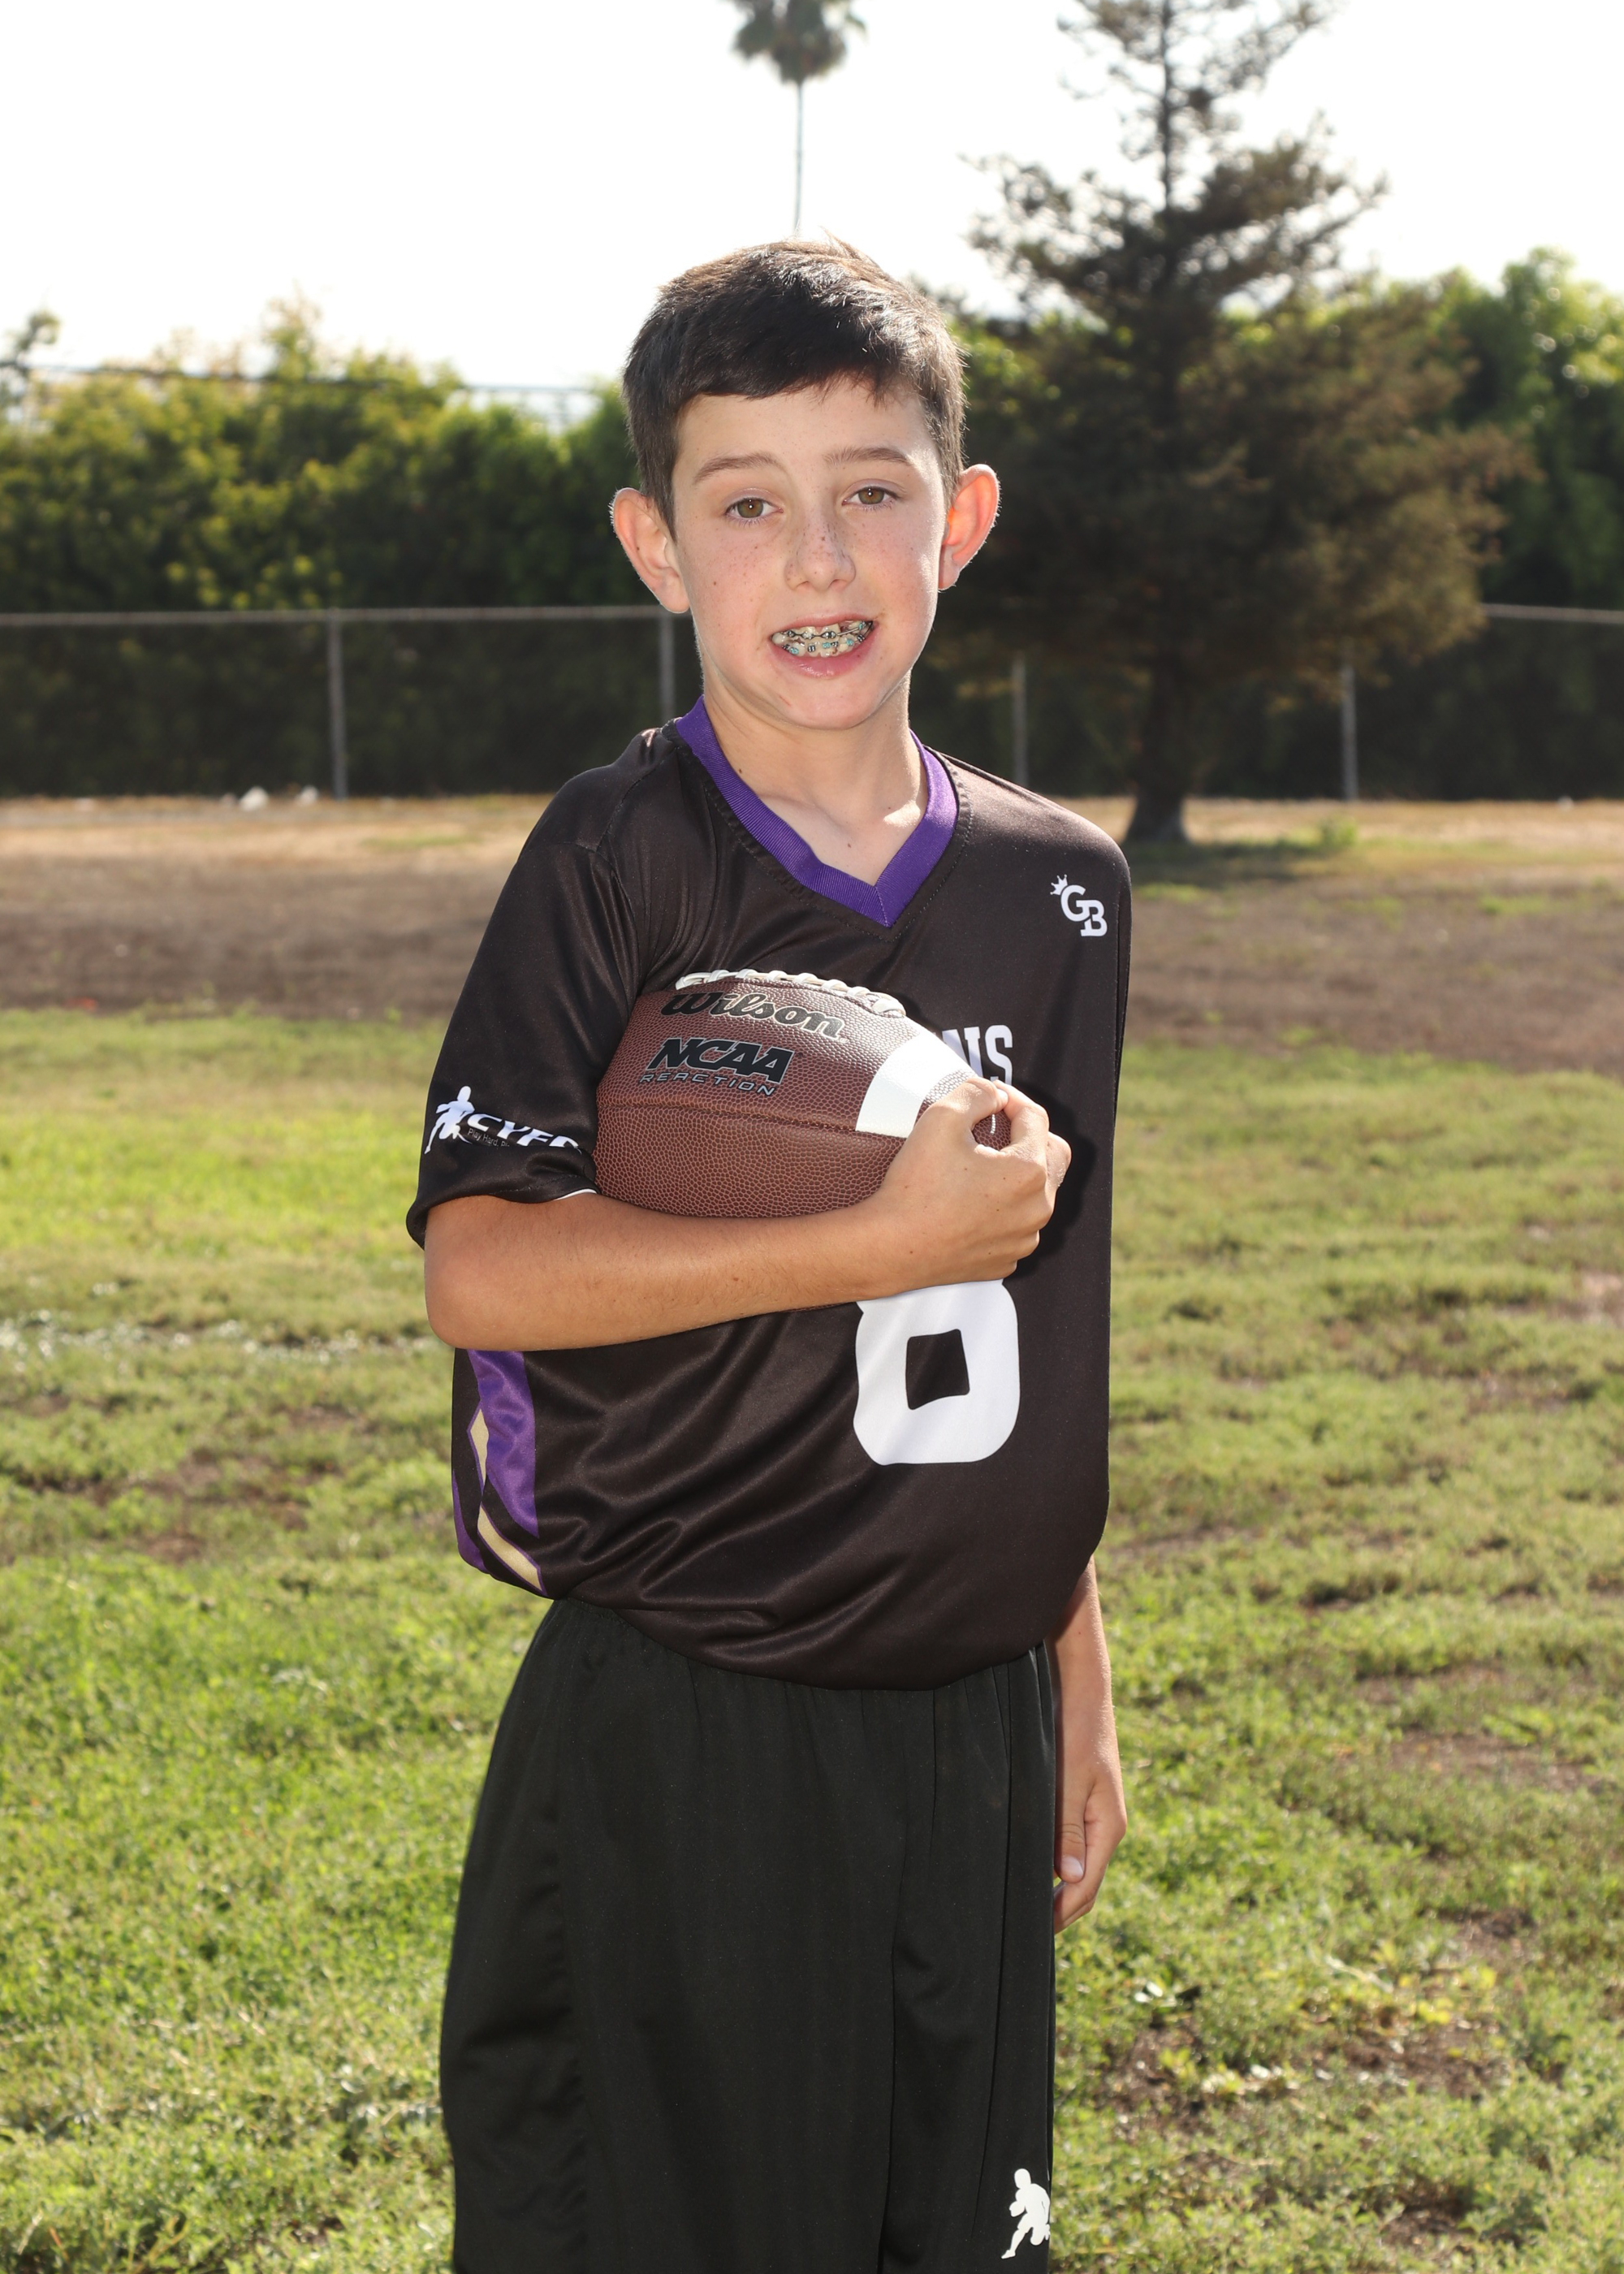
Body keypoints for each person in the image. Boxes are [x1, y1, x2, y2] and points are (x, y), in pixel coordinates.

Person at [408, 239, 1129, 2274]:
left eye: (870, 490)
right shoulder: (616, 852)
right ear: (658, 544)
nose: (816, 556)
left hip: (969, 1708)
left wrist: (1069, 1664)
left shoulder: (1061, 889)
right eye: (746, 503)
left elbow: (1025, 1314)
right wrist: (860, 1235)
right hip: (698, 1702)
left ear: (956, 520)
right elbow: (483, 1268)